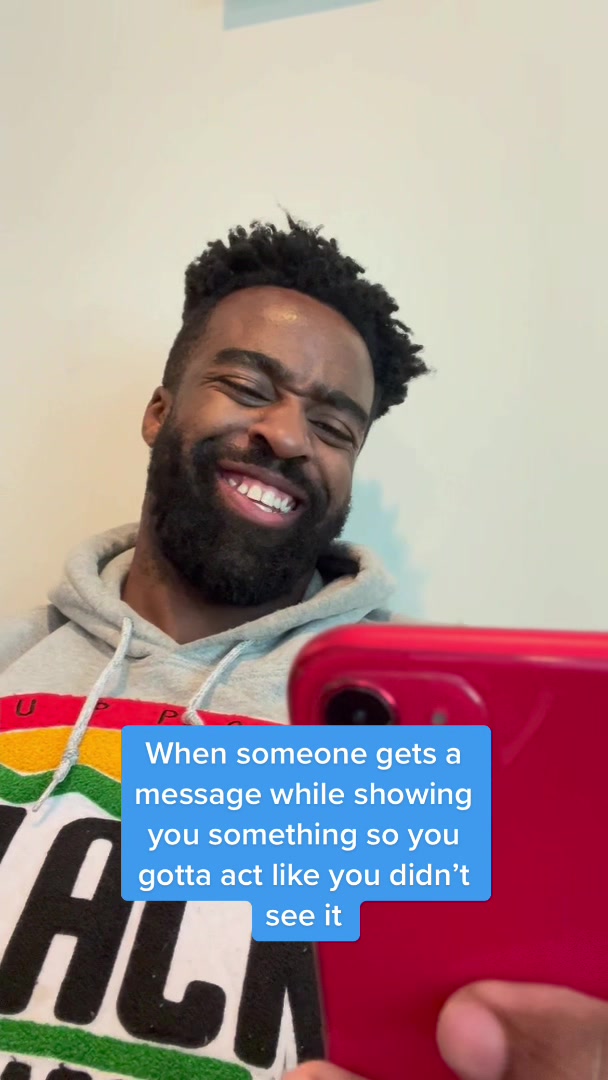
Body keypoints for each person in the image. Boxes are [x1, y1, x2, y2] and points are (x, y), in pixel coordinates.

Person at [0, 216, 605, 1080]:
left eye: (333, 427)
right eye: (249, 386)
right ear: (159, 412)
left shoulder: (403, 738)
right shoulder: (14, 661)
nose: (287, 437)